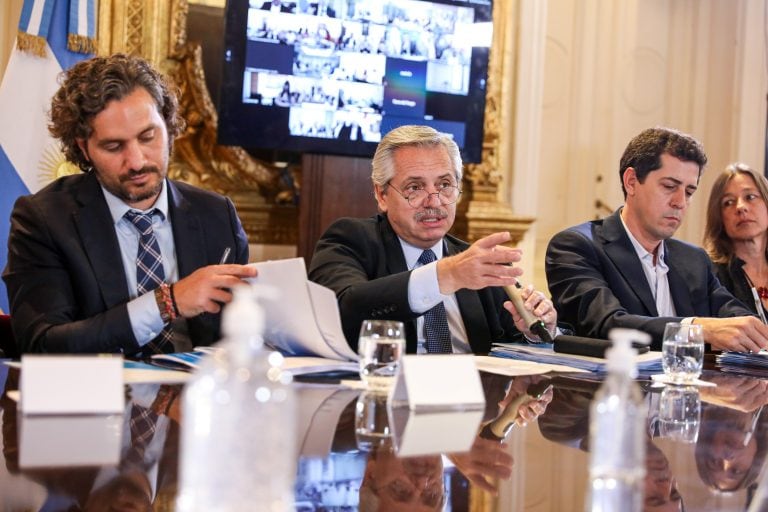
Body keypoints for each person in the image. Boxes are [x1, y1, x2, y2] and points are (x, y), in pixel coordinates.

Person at [3, 54, 256, 355]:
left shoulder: (217, 215)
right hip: (99, 397)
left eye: (148, 137)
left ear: (168, 125)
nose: (136, 161)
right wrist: (167, 302)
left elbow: (241, 335)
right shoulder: (44, 219)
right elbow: (42, 343)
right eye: (114, 146)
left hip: (199, 396)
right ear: (84, 149)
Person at [309, 124, 558, 354]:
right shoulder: (350, 240)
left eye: (445, 185)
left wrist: (535, 332)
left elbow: (511, 344)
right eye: (415, 188)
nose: (434, 201)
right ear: (382, 195)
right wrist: (445, 276)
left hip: (474, 395)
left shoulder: (476, 264)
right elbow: (342, 309)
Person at [546, 126, 767, 352]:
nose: (680, 202)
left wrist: (752, 329)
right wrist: (696, 329)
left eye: (689, 191)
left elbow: (734, 315)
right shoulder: (575, 246)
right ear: (631, 181)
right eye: (669, 186)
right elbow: (605, 324)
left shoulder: (694, 259)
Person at [704, 163, 768, 318]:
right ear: (719, 217)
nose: (740, 207)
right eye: (728, 202)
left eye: (750, 197)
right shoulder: (710, 275)